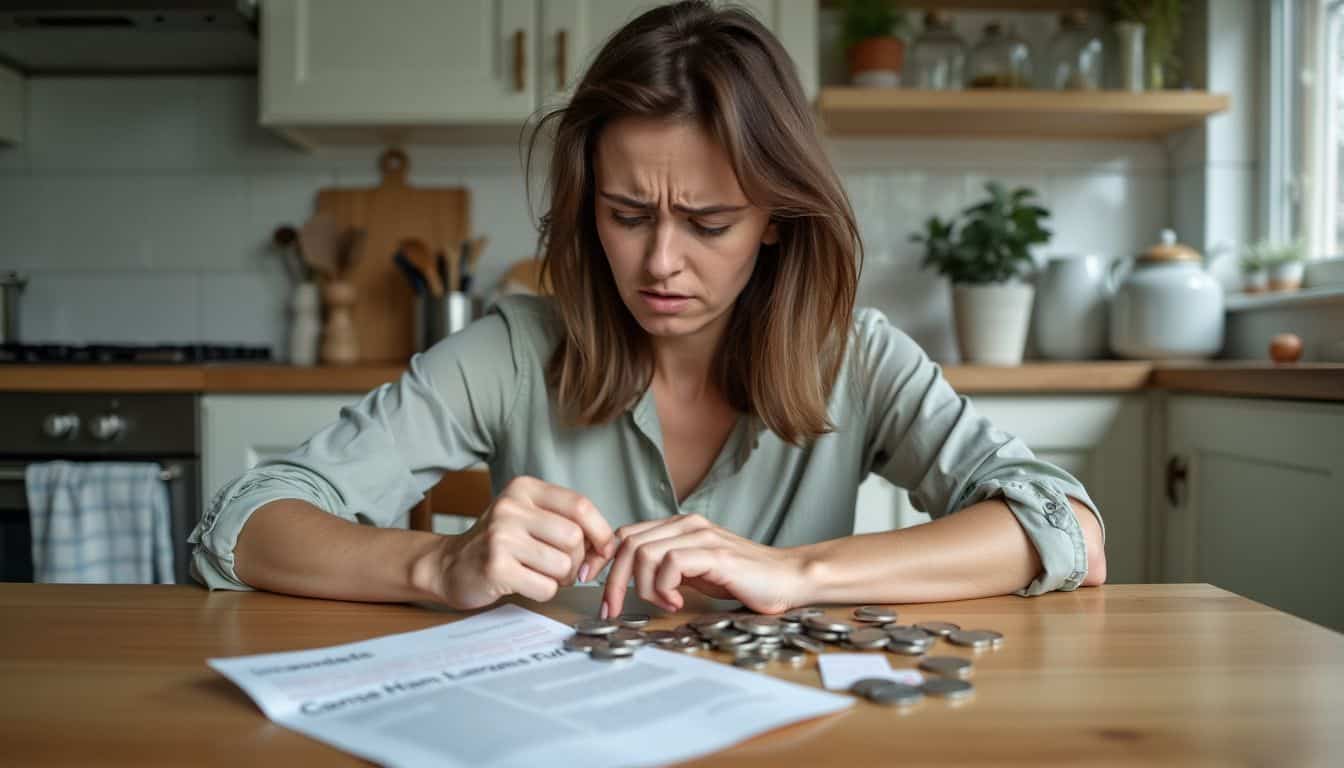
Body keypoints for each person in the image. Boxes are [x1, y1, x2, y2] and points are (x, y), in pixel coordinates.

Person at [189, 0, 1105, 621]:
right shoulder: (513, 349)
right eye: (627, 216)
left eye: (709, 222)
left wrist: (797, 572)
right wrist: (437, 564)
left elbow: (1067, 526)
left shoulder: (855, 356)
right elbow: (244, 521)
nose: (660, 262)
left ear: (778, 220)